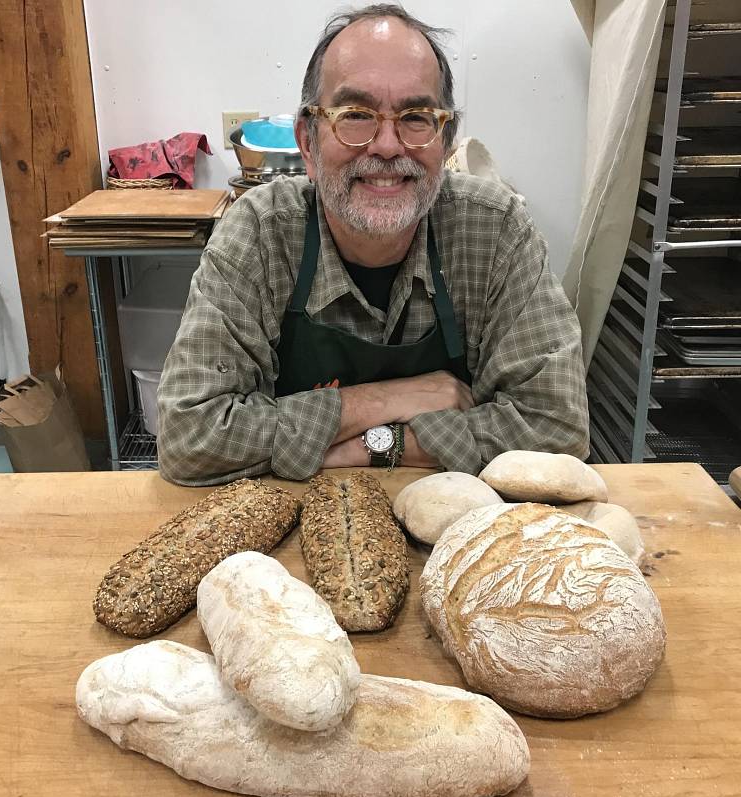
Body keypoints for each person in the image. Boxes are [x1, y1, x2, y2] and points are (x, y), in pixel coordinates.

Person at [157, 3, 589, 486]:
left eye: (416, 116)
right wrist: (382, 400)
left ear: (445, 142)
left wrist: (366, 449)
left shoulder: (494, 230)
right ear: (308, 141)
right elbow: (188, 437)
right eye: (356, 115)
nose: (387, 145)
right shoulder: (259, 232)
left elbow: (556, 429)